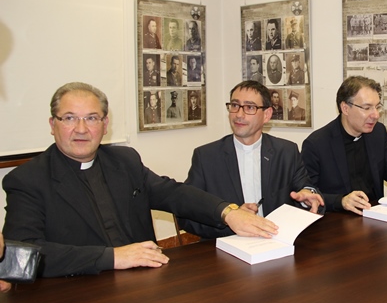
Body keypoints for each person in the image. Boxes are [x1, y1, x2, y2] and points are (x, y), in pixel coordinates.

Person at [1, 82, 277, 278]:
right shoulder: (27, 180)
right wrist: (112, 257)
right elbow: (19, 255)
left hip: (143, 282)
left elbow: (172, 193)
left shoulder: (124, 161)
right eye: (70, 118)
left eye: (92, 118)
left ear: (105, 125)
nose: (81, 129)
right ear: (53, 125)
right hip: (74, 293)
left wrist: (228, 212)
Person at [178, 80, 324, 239]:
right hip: (227, 246)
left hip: (276, 242)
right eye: (235, 105)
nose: (239, 115)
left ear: (266, 115)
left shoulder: (286, 152)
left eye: (249, 107)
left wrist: (307, 198)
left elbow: (306, 190)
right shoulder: (206, 157)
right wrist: (228, 219)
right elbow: (186, 215)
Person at [301, 76, 387, 215]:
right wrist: (341, 201)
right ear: (345, 108)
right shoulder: (316, 144)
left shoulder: (378, 133)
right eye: (367, 108)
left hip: (374, 215)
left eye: (377, 107)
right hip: (336, 220)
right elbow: (308, 195)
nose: (376, 115)